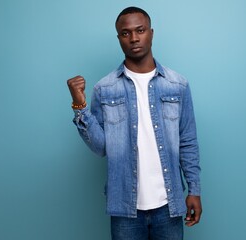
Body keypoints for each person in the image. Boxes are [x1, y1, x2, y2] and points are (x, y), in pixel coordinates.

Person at [67, 6, 202, 240]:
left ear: (151, 32)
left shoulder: (177, 85)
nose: (134, 38)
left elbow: (187, 142)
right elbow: (101, 148)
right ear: (119, 38)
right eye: (125, 33)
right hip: (125, 207)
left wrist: (194, 190)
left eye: (140, 30)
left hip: (168, 204)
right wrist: (80, 107)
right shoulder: (105, 88)